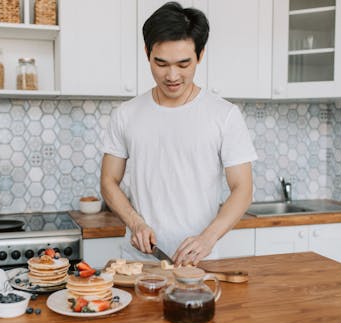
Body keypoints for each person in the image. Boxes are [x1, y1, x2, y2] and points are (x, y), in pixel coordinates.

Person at [100, 2, 257, 266]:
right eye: (161, 63)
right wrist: (135, 223)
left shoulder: (224, 115)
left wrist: (208, 238)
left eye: (184, 64)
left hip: (199, 263)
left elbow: (243, 188)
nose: (172, 76)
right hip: (141, 262)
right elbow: (108, 181)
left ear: (201, 55)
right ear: (147, 53)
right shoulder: (126, 114)